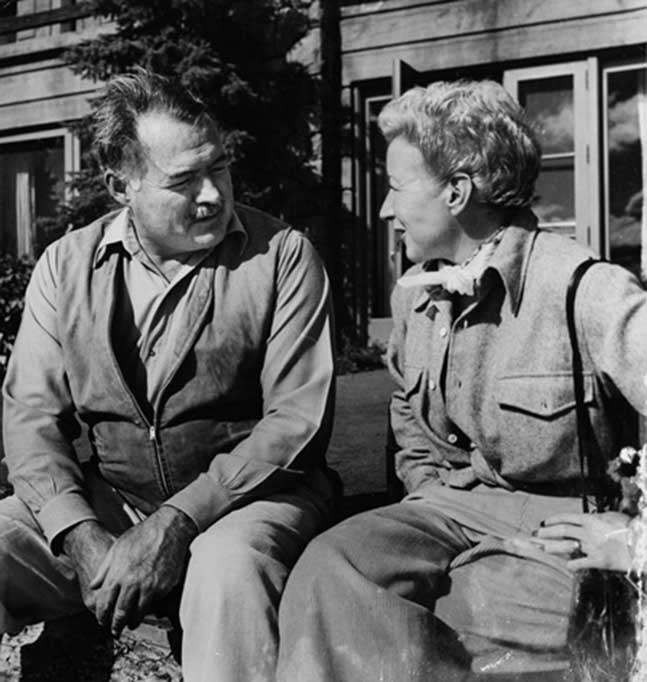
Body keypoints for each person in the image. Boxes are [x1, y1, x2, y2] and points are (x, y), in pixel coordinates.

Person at [276, 79, 647, 681]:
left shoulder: (588, 289)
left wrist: (634, 537)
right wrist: (428, 495)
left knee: (457, 609)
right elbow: (408, 420)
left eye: (395, 188)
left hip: (559, 530)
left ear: (456, 191)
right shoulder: (419, 295)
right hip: (444, 511)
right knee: (328, 566)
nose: (384, 211)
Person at [0, 68, 339, 682]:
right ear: (119, 185)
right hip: (116, 504)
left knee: (227, 571)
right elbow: (30, 417)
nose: (212, 194)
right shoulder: (65, 266)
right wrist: (78, 533)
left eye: (219, 167)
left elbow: (296, 422)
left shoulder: (284, 256)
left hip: (251, 501)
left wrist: (177, 524)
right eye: (183, 181)